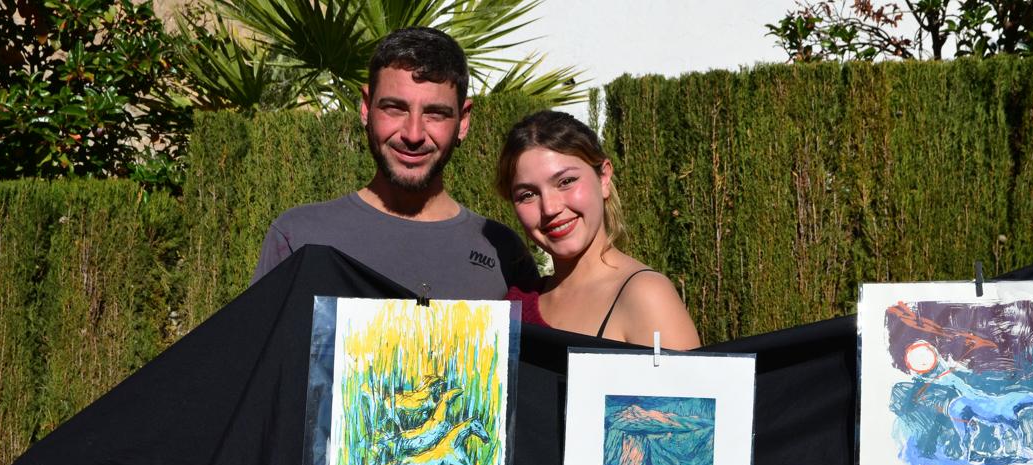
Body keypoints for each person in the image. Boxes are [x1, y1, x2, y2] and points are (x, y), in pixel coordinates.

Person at [252, 27, 538, 299]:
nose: (413, 134)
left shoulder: (504, 254)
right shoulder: (298, 237)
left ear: (463, 121)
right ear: (366, 107)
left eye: (435, 113)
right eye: (395, 108)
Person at [497, 111, 700, 350]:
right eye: (528, 195)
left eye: (566, 181)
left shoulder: (647, 297)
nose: (550, 208)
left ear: (603, 177)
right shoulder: (515, 306)